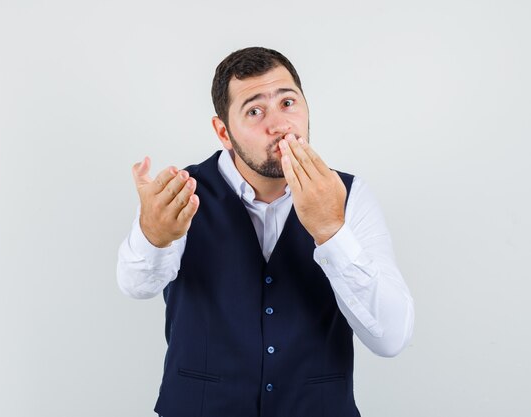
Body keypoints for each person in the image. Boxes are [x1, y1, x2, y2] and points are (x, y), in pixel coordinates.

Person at [117, 46, 414, 417]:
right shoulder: (182, 191)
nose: (279, 125)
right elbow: (136, 285)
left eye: (288, 103)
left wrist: (331, 231)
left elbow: (391, 337)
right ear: (223, 131)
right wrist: (152, 234)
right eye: (255, 111)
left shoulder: (350, 196)